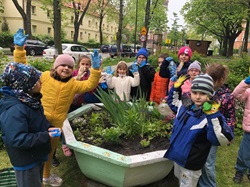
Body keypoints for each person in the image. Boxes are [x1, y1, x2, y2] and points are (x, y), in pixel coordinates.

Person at [13, 28, 101, 186]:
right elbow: (24, 68)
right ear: (55, 67)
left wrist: (95, 70)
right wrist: (20, 50)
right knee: (34, 149)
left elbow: (90, 84)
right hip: (40, 120)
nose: (66, 68)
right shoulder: (45, 76)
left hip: (57, 124)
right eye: (63, 65)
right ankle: (31, 175)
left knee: (49, 151)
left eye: (69, 66)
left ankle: (46, 176)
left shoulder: (73, 84)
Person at [164, 73, 234, 187]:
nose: (197, 97)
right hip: (177, 157)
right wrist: (175, 88)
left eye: (202, 94)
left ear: (210, 95)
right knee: (179, 180)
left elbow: (222, 139)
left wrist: (213, 116)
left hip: (191, 162)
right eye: (195, 93)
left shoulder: (210, 117)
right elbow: (173, 102)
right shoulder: (184, 106)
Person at [0, 62, 61, 187]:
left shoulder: (30, 100)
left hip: (35, 154)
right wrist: (46, 136)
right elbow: (17, 139)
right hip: (26, 161)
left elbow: (39, 120)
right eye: (37, 81)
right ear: (26, 86)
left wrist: (49, 127)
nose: (41, 83)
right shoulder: (15, 109)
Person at [198, 63, 236, 187]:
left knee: (208, 162)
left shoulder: (226, 97)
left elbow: (230, 116)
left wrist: (229, 132)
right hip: (201, 131)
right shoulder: (204, 91)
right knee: (201, 158)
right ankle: (199, 182)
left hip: (215, 132)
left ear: (220, 80)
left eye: (212, 80)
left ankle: (209, 184)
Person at [232, 75, 250, 184]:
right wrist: (245, 82)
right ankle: (240, 171)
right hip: (249, 131)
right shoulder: (248, 91)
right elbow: (236, 95)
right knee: (244, 153)